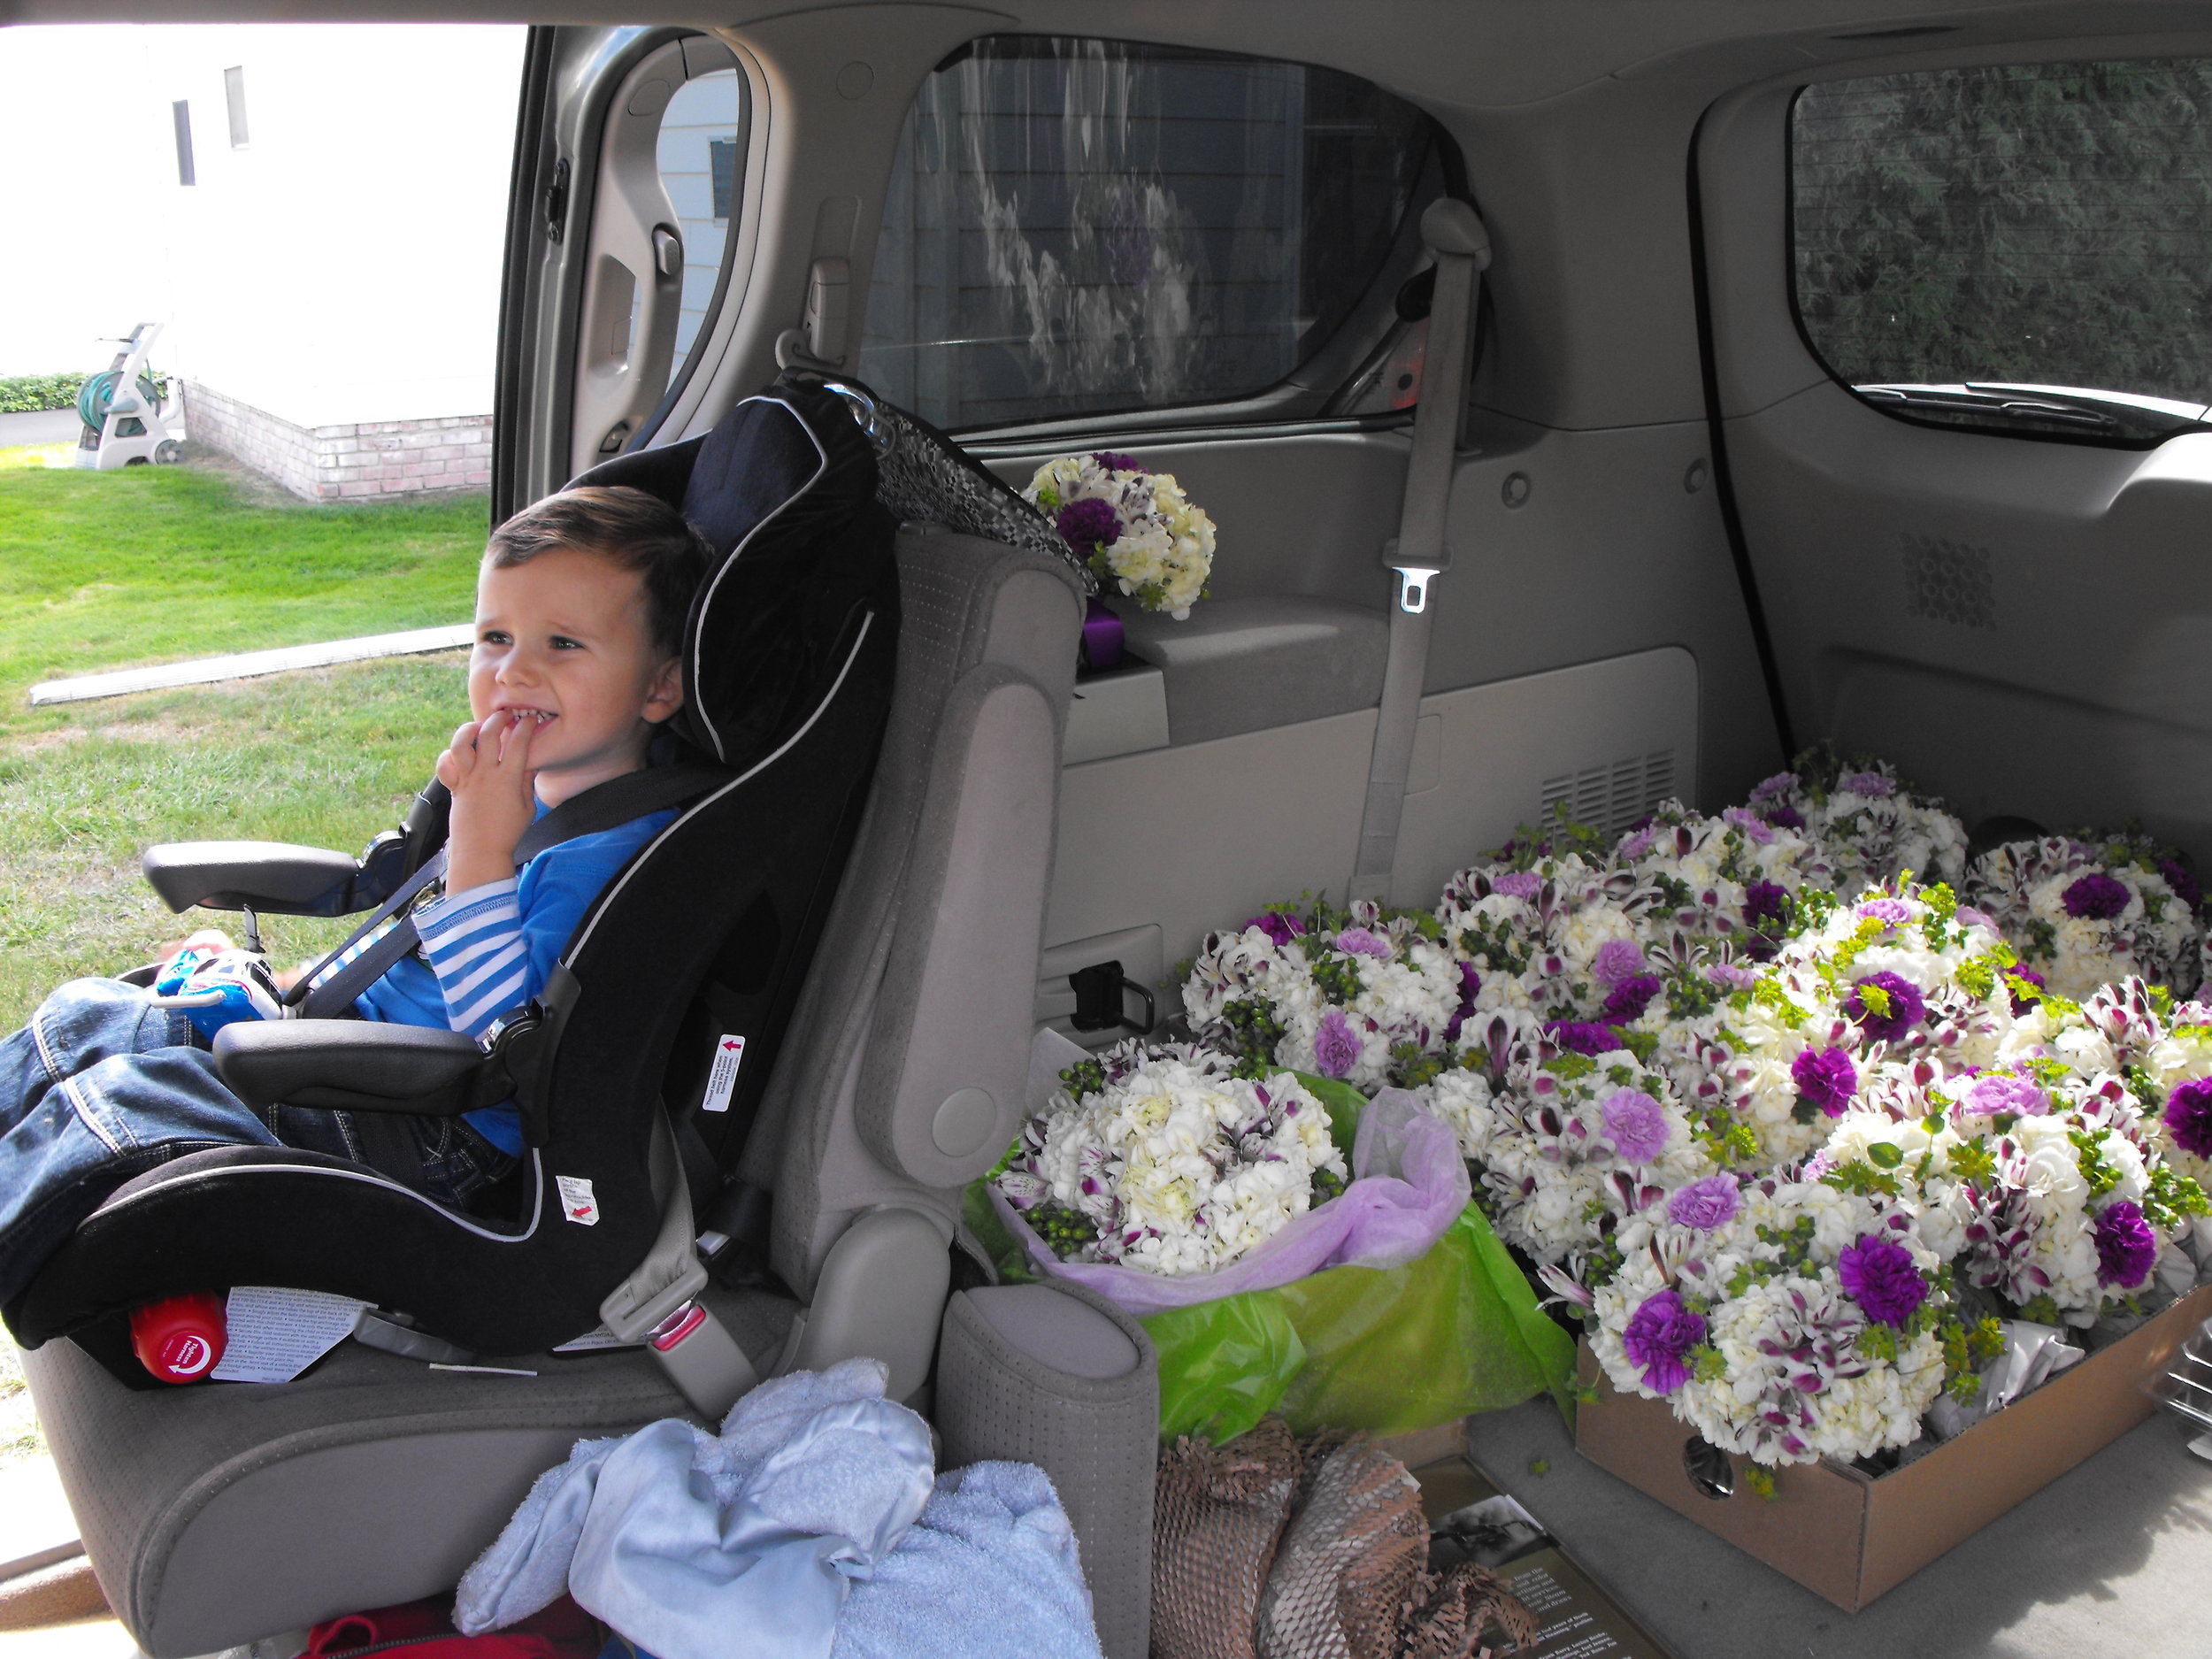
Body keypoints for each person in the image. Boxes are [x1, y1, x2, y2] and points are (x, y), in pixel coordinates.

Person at [0, 485, 710, 1307]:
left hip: (437, 1125)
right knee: (86, 1015)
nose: (514, 669)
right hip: (359, 1051)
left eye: (562, 642)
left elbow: (509, 1048)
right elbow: (413, 940)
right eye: (494, 637)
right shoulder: (527, 785)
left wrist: (480, 845)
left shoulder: (604, 857)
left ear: (659, 687)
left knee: (124, 1105)